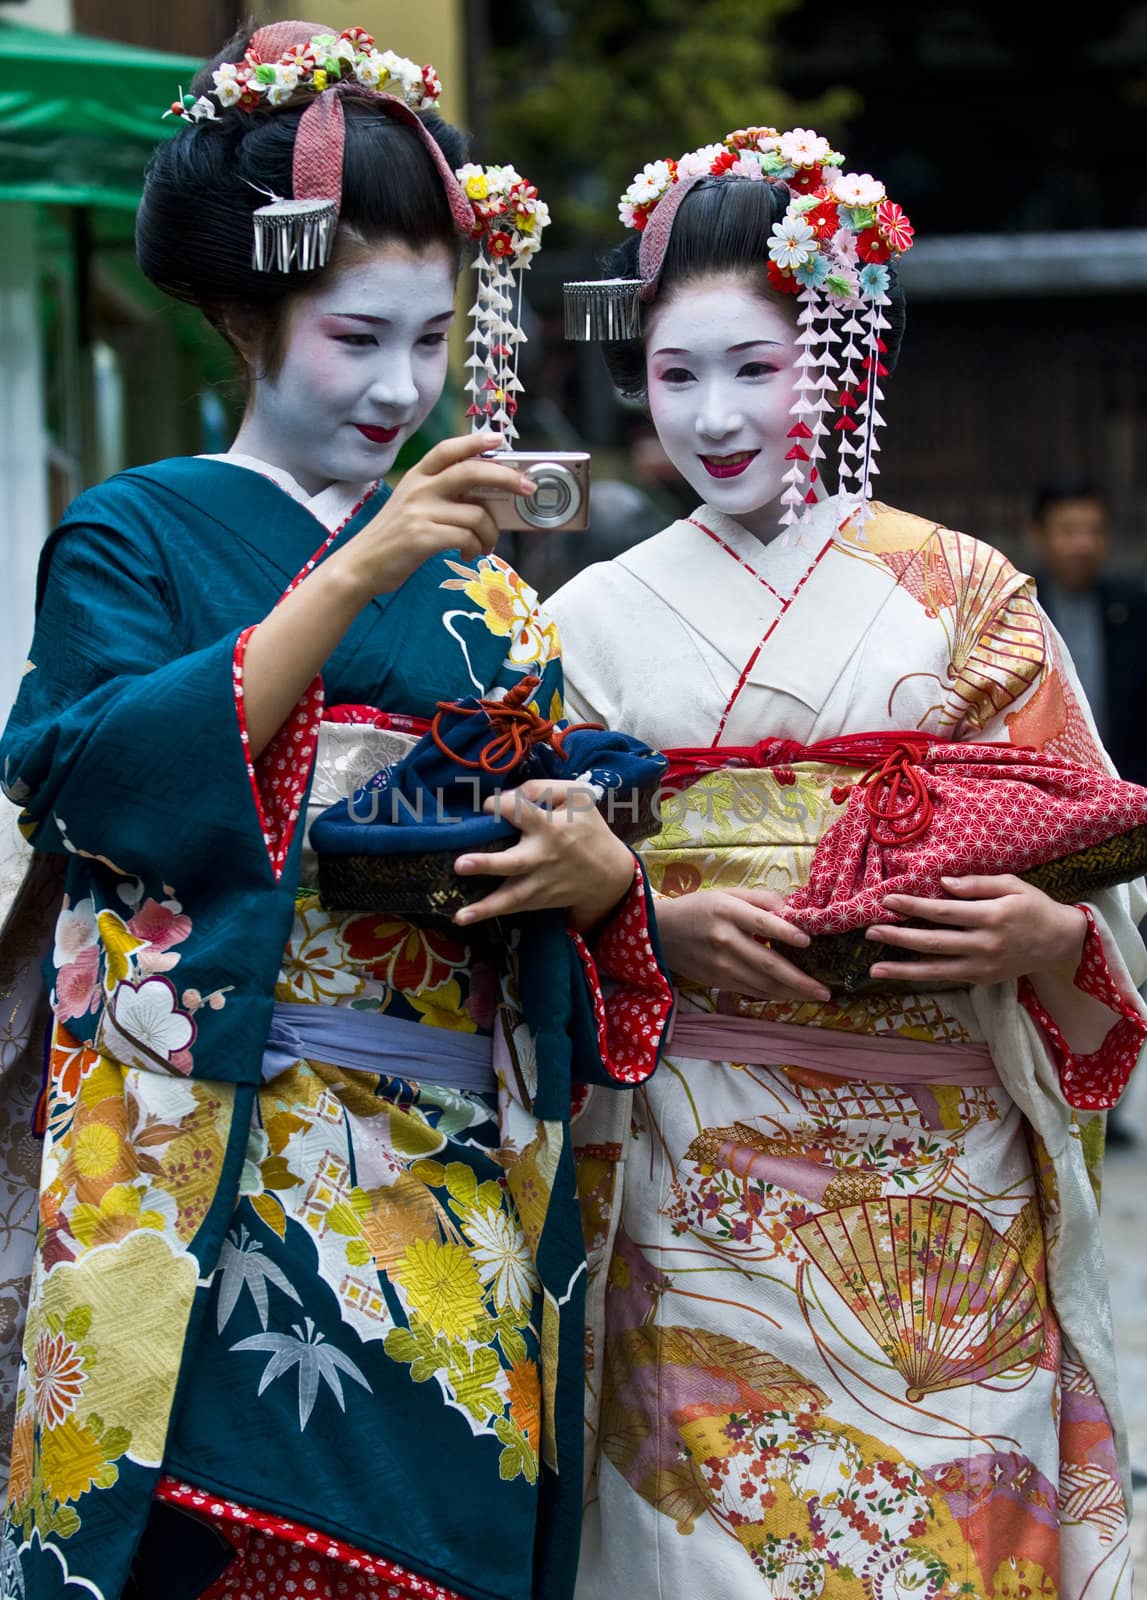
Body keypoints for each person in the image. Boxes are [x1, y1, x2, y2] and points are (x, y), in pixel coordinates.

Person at [0, 22, 672, 1600]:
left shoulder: (487, 590)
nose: (401, 388)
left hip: (448, 1189)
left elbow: (575, 824)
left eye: (431, 343)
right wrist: (358, 567)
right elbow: (84, 774)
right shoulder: (133, 534)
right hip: (204, 1167)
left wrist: (589, 870)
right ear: (243, 314)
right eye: (354, 337)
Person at [548, 128, 1147, 1597]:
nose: (713, 414)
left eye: (754, 366)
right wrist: (640, 915)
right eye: (675, 373)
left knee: (949, 1540)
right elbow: (533, 887)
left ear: (837, 351)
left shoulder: (963, 596)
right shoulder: (585, 620)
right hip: (695, 1176)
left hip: (943, 1165)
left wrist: (1038, 936)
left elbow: (1092, 864)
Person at [1028, 476, 1147, 786]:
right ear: (1038, 535)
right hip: (1045, 789)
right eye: (1069, 531)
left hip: (1128, 786)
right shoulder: (1021, 609)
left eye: (1094, 531)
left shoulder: (1134, 609)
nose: (1084, 545)